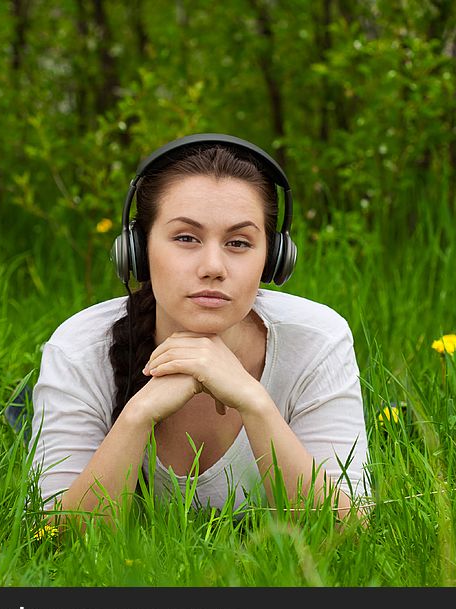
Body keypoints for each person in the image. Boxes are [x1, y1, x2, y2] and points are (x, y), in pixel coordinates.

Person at [31, 133, 368, 523]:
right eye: (186, 238)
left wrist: (254, 403)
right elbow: (56, 540)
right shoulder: (79, 348)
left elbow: (348, 532)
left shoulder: (318, 340)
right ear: (138, 251)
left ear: (273, 258)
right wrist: (137, 415)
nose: (213, 266)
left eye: (239, 243)